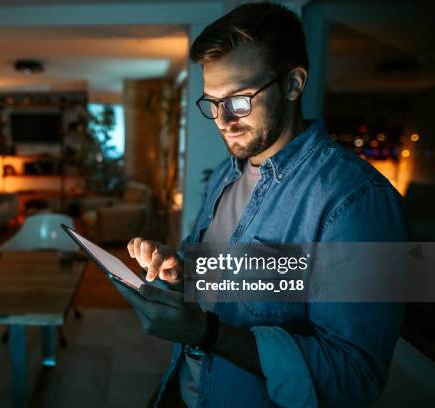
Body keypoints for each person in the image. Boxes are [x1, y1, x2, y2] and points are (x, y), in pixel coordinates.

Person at [110, 3, 409, 407]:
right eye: (212, 103)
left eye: (238, 100)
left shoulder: (358, 201)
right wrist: (180, 270)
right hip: (184, 391)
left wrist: (207, 333)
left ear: (293, 84)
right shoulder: (226, 172)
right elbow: (215, 279)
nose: (222, 121)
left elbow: (354, 379)